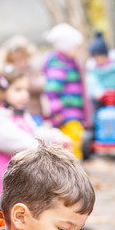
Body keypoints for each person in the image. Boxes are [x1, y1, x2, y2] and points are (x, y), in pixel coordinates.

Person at [0, 66, 68, 208]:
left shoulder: (19, 114)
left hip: (20, 181)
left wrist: (56, 136)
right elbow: (19, 142)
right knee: (8, 222)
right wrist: (49, 149)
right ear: (1, 92)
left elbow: (34, 132)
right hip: (2, 184)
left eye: (26, 90)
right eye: (18, 90)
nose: (25, 95)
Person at [42, 22, 90, 157]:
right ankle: (73, 167)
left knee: (75, 138)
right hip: (66, 112)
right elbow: (52, 90)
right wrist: (56, 110)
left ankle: (74, 166)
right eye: (76, 47)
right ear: (65, 47)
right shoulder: (59, 64)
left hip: (73, 111)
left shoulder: (69, 62)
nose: (77, 51)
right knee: (72, 140)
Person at [0, 34, 47, 122]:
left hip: (34, 112)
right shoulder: (8, 73)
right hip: (13, 113)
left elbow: (40, 86)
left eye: (22, 59)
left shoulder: (32, 71)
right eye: (15, 60)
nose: (19, 63)